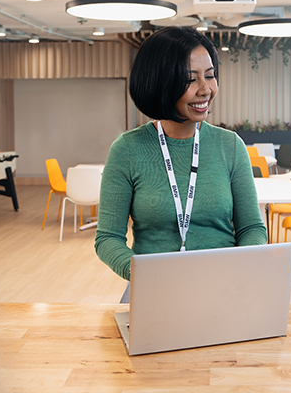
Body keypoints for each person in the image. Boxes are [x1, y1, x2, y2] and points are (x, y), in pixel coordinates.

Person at [94, 26, 267, 281]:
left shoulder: (230, 145)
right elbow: (108, 238)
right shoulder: (127, 149)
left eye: (209, 76)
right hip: (154, 286)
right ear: (161, 82)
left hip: (223, 284)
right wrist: (143, 274)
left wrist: (238, 268)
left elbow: (252, 228)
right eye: (190, 78)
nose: (205, 89)